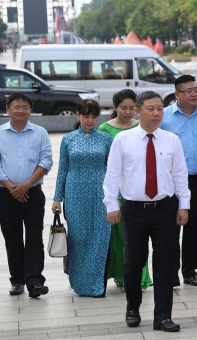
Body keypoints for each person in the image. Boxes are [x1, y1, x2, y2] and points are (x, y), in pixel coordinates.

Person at [103, 91, 190, 332]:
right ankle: (133, 306)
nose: (156, 113)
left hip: (165, 208)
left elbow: (180, 175)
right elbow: (112, 175)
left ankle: (163, 316)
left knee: (164, 262)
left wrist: (184, 205)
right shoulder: (123, 140)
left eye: (160, 109)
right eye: (150, 109)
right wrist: (111, 205)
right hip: (135, 209)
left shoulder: (171, 140)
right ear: (138, 111)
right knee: (133, 262)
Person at [160, 74, 197, 287]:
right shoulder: (164, 117)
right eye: (189, 91)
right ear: (177, 94)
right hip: (171, 180)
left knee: (195, 227)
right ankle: (170, 272)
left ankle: (190, 270)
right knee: (169, 227)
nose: (195, 94)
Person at [52, 100, 113, 297]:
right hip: (74, 194)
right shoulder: (68, 139)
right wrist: (56, 198)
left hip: (100, 194)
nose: (90, 120)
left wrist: (115, 196)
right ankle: (79, 283)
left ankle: (96, 284)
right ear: (78, 115)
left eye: (94, 117)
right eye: (86, 116)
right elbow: (63, 169)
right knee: (78, 238)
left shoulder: (105, 139)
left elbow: (113, 170)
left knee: (100, 238)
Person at [0, 93, 54, 298]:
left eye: (25, 107)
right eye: (16, 107)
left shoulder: (40, 133)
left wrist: (27, 185)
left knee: (34, 238)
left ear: (30, 110)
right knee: (12, 238)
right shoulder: (0, 133)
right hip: (5, 195)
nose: (20, 110)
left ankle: (34, 282)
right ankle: (17, 280)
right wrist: (12, 187)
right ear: (8, 109)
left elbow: (46, 161)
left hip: (33, 194)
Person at [98, 89, 152, 290]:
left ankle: (140, 276)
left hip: (139, 189)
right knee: (118, 237)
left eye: (132, 108)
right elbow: (105, 162)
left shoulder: (142, 127)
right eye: (123, 108)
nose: (128, 112)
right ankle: (121, 273)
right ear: (115, 107)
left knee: (137, 237)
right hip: (115, 190)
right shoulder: (105, 129)